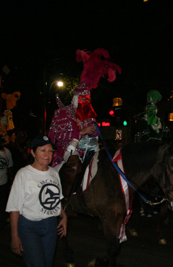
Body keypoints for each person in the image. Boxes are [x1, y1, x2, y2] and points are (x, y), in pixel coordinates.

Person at [48, 48, 120, 201]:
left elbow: (93, 136)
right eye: (83, 99)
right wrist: (80, 133)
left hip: (87, 150)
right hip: (66, 151)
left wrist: (95, 132)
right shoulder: (63, 113)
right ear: (76, 98)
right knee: (74, 164)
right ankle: (64, 200)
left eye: (88, 99)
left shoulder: (89, 116)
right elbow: (55, 135)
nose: (86, 102)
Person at [6, 135, 67, 267]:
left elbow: (56, 199)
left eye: (50, 151)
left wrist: (63, 216)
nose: (47, 154)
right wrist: (14, 236)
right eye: (43, 150)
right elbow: (14, 208)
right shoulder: (23, 174)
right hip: (29, 227)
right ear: (33, 152)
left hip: (51, 226)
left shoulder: (54, 173)